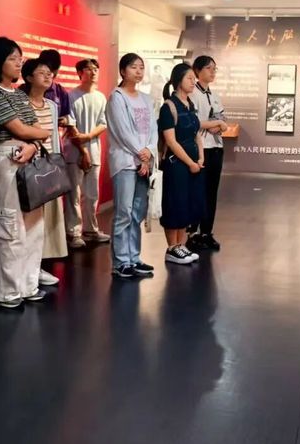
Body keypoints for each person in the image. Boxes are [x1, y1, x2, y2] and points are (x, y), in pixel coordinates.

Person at [0, 38, 50, 308]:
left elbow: (34, 128)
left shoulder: (19, 94)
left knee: (34, 225)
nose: (19, 62)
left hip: (29, 156)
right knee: (8, 225)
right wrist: (36, 135)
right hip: (5, 158)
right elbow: (20, 128)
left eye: (20, 58)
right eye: (12, 58)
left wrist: (33, 143)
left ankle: (28, 284)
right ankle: (6, 290)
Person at [105, 53, 158, 279]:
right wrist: (141, 154)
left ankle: (134, 258)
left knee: (137, 212)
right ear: (123, 71)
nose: (138, 71)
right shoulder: (117, 97)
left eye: (141, 67)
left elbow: (153, 130)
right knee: (123, 212)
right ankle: (120, 262)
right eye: (134, 67)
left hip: (143, 162)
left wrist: (149, 152)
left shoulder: (146, 98)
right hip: (126, 162)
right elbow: (122, 131)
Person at [21, 57, 67, 285]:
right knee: (29, 222)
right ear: (29, 77)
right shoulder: (21, 103)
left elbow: (54, 139)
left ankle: (38, 267)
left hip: (49, 167)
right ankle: (27, 270)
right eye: (42, 72)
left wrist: (57, 164)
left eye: (50, 72)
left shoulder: (51, 105)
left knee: (47, 221)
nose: (48, 76)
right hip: (30, 168)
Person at [158, 63, 205, 265]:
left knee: (188, 203)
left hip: (193, 164)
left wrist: (200, 158)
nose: (193, 82)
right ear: (178, 81)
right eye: (189, 78)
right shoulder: (168, 107)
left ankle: (181, 244)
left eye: (194, 78)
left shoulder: (190, 105)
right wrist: (189, 162)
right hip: (176, 164)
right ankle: (172, 248)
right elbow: (171, 141)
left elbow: (197, 134)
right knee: (174, 204)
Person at [64, 58, 110, 248]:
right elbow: (71, 126)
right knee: (73, 195)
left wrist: (89, 136)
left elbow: (103, 123)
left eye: (95, 69)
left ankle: (90, 230)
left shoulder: (100, 97)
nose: (93, 72)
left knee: (91, 195)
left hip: (94, 150)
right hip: (74, 152)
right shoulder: (71, 96)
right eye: (88, 69)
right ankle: (73, 233)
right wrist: (84, 151)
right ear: (80, 73)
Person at [187, 56, 227, 251]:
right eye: (209, 68)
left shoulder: (215, 95)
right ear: (197, 70)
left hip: (216, 148)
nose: (212, 72)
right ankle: (192, 233)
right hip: (200, 149)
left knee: (212, 192)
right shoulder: (192, 94)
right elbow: (195, 122)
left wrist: (217, 124)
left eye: (214, 69)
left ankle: (207, 232)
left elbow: (223, 121)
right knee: (198, 192)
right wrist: (216, 123)